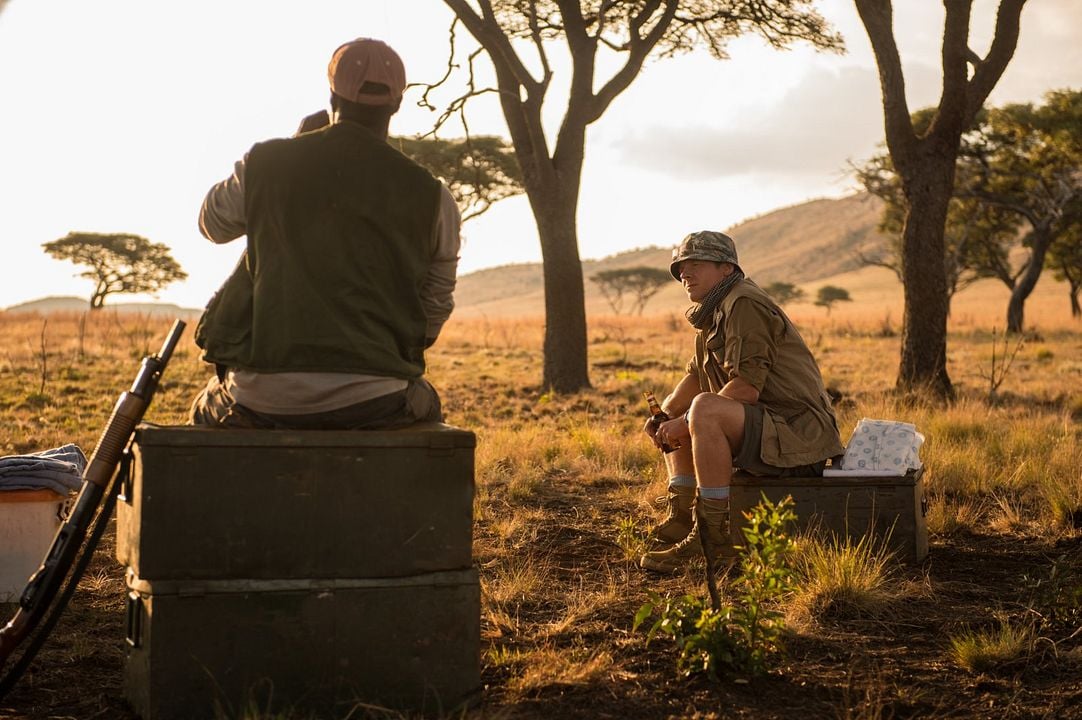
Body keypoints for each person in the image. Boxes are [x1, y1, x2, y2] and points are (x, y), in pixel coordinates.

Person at [189, 38, 460, 430]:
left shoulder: (264, 164)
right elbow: (435, 305)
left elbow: (211, 225)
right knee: (426, 406)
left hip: (260, 396)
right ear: (397, 104)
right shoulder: (434, 195)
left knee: (204, 408)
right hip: (378, 398)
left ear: (332, 95)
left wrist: (293, 150)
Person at [640, 231, 844, 572]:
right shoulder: (714, 309)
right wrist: (666, 414)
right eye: (681, 268)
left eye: (696, 265)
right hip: (767, 427)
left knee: (703, 410)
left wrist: (687, 420)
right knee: (685, 411)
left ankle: (712, 539)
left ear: (726, 269)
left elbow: (746, 389)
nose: (684, 274)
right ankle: (680, 516)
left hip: (797, 436)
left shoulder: (743, 303)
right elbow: (694, 377)